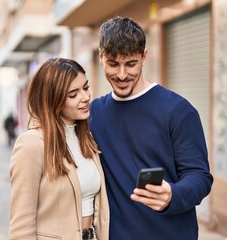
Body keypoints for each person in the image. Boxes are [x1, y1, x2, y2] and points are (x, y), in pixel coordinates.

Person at [89, 16, 213, 239]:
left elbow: (200, 176)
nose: (122, 74)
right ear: (101, 57)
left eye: (131, 64)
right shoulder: (94, 114)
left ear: (144, 56)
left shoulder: (178, 111)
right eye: (113, 64)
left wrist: (173, 195)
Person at [9, 58, 109, 240]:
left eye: (85, 88)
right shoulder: (31, 144)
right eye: (73, 94)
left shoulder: (87, 139)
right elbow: (21, 226)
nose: (85, 97)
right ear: (52, 100)